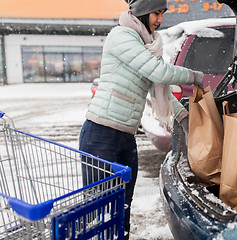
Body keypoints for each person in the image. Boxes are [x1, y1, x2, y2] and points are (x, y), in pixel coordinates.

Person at [79, 0, 204, 238]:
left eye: (162, 14)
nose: (160, 20)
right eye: (157, 13)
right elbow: (157, 72)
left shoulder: (148, 44)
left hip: (126, 136)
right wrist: (194, 76)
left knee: (123, 204)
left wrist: (184, 118)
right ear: (143, 12)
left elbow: (160, 91)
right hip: (100, 134)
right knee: (98, 210)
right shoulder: (121, 36)